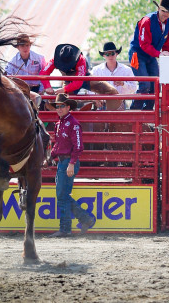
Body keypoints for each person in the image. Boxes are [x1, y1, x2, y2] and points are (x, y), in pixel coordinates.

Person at [47, 93, 96, 237]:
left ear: (68, 107)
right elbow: (58, 145)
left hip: (68, 162)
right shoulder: (59, 124)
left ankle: (66, 228)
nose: (59, 109)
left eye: (62, 106)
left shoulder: (73, 124)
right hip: (63, 162)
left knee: (62, 195)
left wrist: (72, 163)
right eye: (57, 106)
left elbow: (78, 146)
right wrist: (51, 157)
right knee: (63, 195)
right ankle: (85, 219)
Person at [40, 44, 123, 111]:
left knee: (112, 91)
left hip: (85, 79)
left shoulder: (80, 59)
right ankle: (70, 120)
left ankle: (110, 119)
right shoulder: (55, 60)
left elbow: (79, 81)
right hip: (69, 82)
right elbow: (43, 73)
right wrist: (48, 87)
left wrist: (64, 89)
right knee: (63, 103)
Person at [129, 0, 169, 110]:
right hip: (137, 55)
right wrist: (160, 54)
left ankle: (148, 114)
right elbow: (143, 44)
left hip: (151, 55)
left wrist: (167, 54)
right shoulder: (147, 20)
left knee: (155, 86)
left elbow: (166, 40)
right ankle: (134, 112)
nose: (165, 14)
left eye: (168, 11)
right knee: (145, 84)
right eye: (163, 10)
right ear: (159, 9)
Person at [91, 42, 138, 109]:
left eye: (112, 53)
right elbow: (89, 86)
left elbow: (134, 87)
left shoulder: (126, 70)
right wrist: (95, 97)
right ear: (104, 56)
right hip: (102, 104)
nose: (110, 56)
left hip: (119, 103)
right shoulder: (96, 70)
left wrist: (123, 84)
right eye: (107, 54)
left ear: (116, 54)